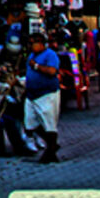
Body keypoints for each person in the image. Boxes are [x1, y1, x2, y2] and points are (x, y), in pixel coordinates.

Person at [23, 33, 62, 164]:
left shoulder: (50, 55)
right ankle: (52, 145)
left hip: (47, 94)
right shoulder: (32, 55)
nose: (30, 46)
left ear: (41, 43)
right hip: (31, 94)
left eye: (32, 43)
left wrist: (36, 66)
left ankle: (50, 150)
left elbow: (52, 71)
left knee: (49, 123)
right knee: (30, 123)